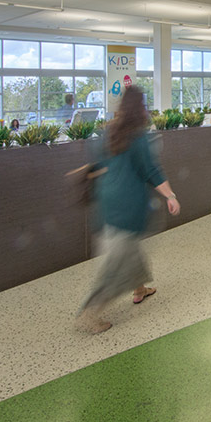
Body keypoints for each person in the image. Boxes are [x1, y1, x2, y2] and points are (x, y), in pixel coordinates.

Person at [76, 86, 180, 334]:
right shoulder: (139, 136)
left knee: (128, 249)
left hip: (107, 201)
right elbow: (150, 170)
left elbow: (96, 163)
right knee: (117, 263)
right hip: (129, 205)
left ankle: (140, 288)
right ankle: (90, 313)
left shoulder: (107, 132)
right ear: (141, 107)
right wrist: (170, 195)